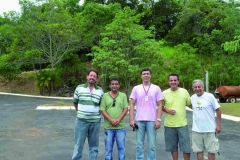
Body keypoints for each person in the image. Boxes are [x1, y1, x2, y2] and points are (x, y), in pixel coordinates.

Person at [129, 68, 163, 160]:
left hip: (152, 121)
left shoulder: (156, 88)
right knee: (139, 145)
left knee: (152, 145)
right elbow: (132, 104)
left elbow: (160, 104)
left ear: (150, 75)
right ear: (141, 76)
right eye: (144, 74)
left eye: (148, 74)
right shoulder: (136, 88)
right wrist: (132, 119)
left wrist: (158, 119)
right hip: (139, 120)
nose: (146, 75)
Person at [72, 69, 104, 160]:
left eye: (94, 76)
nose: (92, 77)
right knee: (78, 145)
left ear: (96, 79)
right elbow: (75, 102)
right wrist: (81, 113)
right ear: (87, 76)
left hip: (95, 122)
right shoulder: (79, 88)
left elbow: (101, 106)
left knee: (94, 147)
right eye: (91, 75)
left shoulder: (100, 91)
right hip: (81, 122)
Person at [162, 73, 191, 160]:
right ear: (168, 81)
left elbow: (190, 104)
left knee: (186, 148)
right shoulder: (164, 93)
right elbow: (160, 106)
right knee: (173, 148)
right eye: (171, 80)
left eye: (175, 80)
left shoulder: (184, 92)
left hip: (182, 124)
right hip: (169, 125)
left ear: (178, 81)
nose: (173, 82)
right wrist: (167, 110)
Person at [190, 79, 221, 160]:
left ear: (203, 87)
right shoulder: (192, 98)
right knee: (199, 151)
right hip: (196, 130)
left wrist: (219, 125)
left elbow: (218, 110)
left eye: (199, 86)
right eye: (195, 87)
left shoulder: (209, 96)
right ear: (193, 88)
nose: (197, 88)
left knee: (211, 151)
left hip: (210, 129)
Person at [100, 77, 129, 160]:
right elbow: (102, 109)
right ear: (109, 85)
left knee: (121, 149)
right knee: (108, 150)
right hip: (108, 127)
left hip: (120, 127)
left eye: (116, 84)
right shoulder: (105, 96)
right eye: (112, 84)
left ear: (119, 85)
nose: (114, 86)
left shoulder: (123, 95)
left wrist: (118, 119)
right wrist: (111, 120)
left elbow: (126, 109)